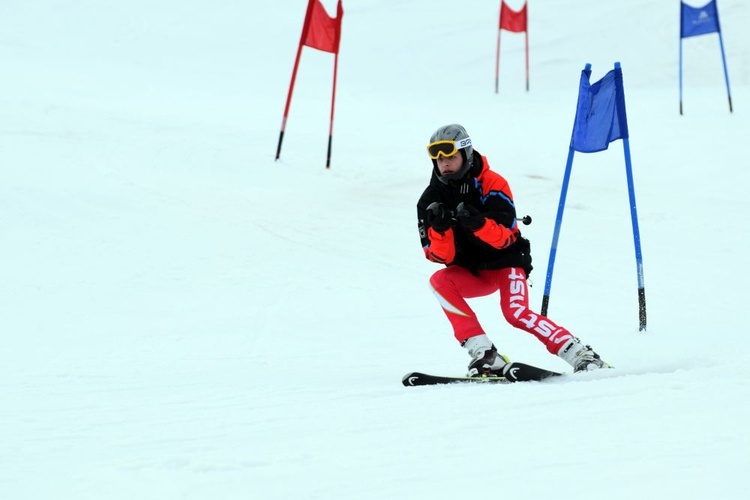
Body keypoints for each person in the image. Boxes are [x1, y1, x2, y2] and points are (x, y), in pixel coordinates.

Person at [416, 123, 607, 377]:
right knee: (440, 281)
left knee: (516, 313)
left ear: (466, 153)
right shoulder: (429, 200)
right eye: (438, 159)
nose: (445, 163)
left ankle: (579, 353)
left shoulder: (493, 184)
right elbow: (440, 257)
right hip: (472, 271)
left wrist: (479, 224)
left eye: (450, 156)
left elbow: (505, 239)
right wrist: (440, 230)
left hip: (506, 263)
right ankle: (486, 355)